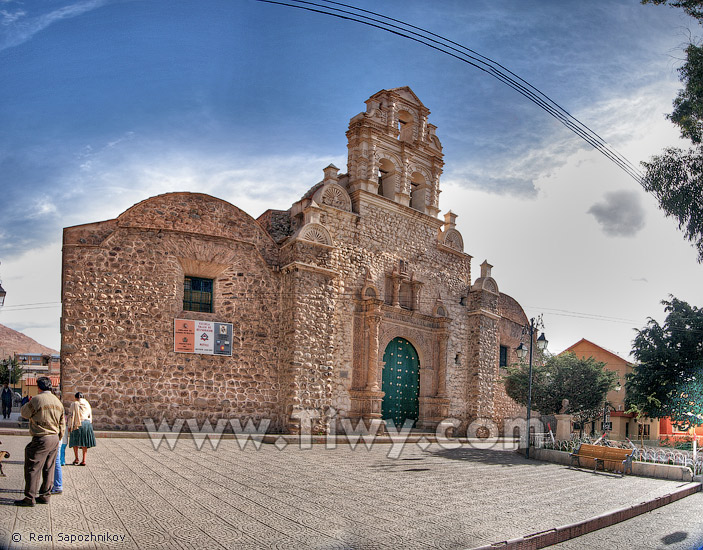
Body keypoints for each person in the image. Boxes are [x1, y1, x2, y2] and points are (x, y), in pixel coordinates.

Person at [15, 376, 65, 507]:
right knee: (49, 467)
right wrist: (59, 437)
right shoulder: (57, 401)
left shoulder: (37, 399)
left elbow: (24, 413)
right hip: (54, 437)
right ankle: (45, 495)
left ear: (38, 387)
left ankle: (29, 497)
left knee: (33, 467)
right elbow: (62, 423)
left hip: (42, 437)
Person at [68, 392, 96, 465]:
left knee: (75, 442)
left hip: (77, 423)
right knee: (84, 442)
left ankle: (76, 458)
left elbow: (71, 415)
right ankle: (84, 460)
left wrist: (69, 426)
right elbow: (90, 414)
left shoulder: (74, 404)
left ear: (76, 398)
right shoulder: (87, 404)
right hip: (87, 423)